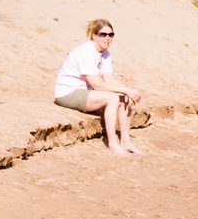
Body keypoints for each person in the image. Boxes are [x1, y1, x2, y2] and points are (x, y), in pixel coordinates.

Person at [53, 19, 143, 155]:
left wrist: (129, 91)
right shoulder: (87, 51)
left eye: (110, 35)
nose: (107, 38)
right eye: (103, 34)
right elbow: (97, 84)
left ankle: (126, 141)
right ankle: (112, 143)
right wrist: (125, 90)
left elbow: (109, 80)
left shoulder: (105, 54)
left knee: (124, 99)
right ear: (94, 35)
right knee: (113, 99)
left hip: (85, 92)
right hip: (68, 92)